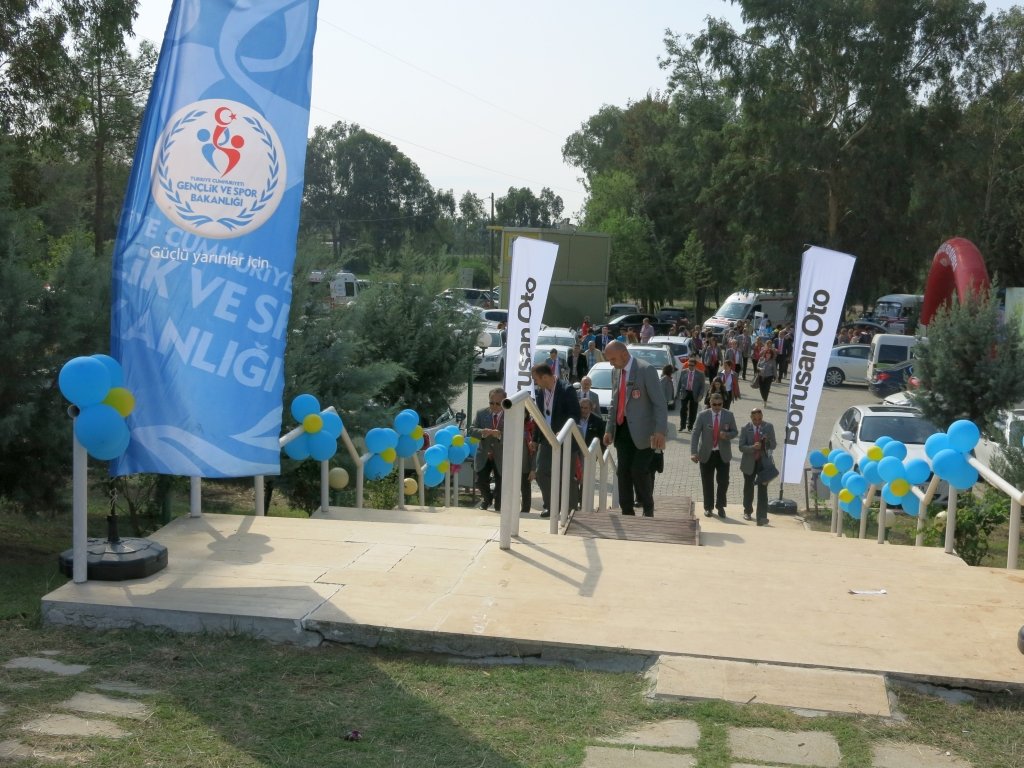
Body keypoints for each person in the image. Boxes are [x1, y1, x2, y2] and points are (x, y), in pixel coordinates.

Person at [602, 341, 668, 517]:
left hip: (645, 433)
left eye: (613, 359)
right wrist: (609, 428)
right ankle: (627, 511)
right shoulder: (615, 372)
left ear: (624, 354)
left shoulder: (646, 370)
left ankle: (648, 507)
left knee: (638, 470)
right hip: (622, 430)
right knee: (622, 471)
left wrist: (660, 431)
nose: (611, 363)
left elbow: (660, 403)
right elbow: (614, 402)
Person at [531, 362, 580, 517]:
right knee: (541, 472)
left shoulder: (567, 389)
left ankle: (571, 509)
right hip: (547, 439)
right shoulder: (540, 392)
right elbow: (539, 417)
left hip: (565, 439)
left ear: (545, 377)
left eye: (536, 379)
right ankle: (551, 505)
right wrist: (535, 439)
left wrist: (563, 430)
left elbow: (575, 414)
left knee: (566, 476)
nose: (535, 383)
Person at [690, 393, 738, 518]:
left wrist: (727, 435)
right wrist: (693, 452)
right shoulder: (702, 415)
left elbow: (735, 431)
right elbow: (695, 434)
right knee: (707, 482)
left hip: (723, 454)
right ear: (710, 403)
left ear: (723, 403)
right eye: (714, 404)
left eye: (719, 404)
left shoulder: (729, 415)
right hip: (706, 454)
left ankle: (720, 506)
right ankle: (708, 507)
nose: (717, 407)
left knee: (723, 482)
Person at [738, 406, 777, 526]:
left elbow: (774, 445)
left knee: (763, 489)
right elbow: (741, 447)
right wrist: (752, 447)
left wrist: (765, 444)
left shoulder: (768, 427)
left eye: (759, 419)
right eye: (755, 419)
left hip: (763, 463)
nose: (757, 422)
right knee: (748, 488)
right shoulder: (745, 428)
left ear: (762, 417)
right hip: (749, 462)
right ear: (751, 418)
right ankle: (747, 511)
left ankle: (762, 516)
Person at [468, 387, 505, 510]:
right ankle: (487, 499)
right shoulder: (481, 413)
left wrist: (500, 435)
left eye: (498, 403)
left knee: (501, 483)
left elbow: (515, 434)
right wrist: (482, 432)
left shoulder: (510, 414)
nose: (494, 406)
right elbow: (471, 430)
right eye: (491, 403)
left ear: (504, 402)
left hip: (501, 455)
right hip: (484, 453)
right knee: (480, 481)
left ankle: (498, 502)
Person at [574, 398, 605, 506]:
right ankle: (574, 501)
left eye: (586, 408)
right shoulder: (574, 418)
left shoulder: (598, 421)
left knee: (586, 479)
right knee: (574, 478)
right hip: (575, 453)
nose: (583, 410)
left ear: (591, 409)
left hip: (589, 455)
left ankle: (583, 502)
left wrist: (598, 456)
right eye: (581, 407)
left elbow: (602, 441)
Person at [676, 356, 705, 432]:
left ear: (695, 365)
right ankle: (682, 426)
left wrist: (700, 395)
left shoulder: (700, 374)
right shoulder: (683, 372)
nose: (690, 367)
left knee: (693, 410)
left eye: (692, 365)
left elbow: (702, 386)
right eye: (689, 365)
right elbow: (680, 383)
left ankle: (690, 426)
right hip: (684, 392)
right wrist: (678, 393)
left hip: (694, 393)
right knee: (683, 409)